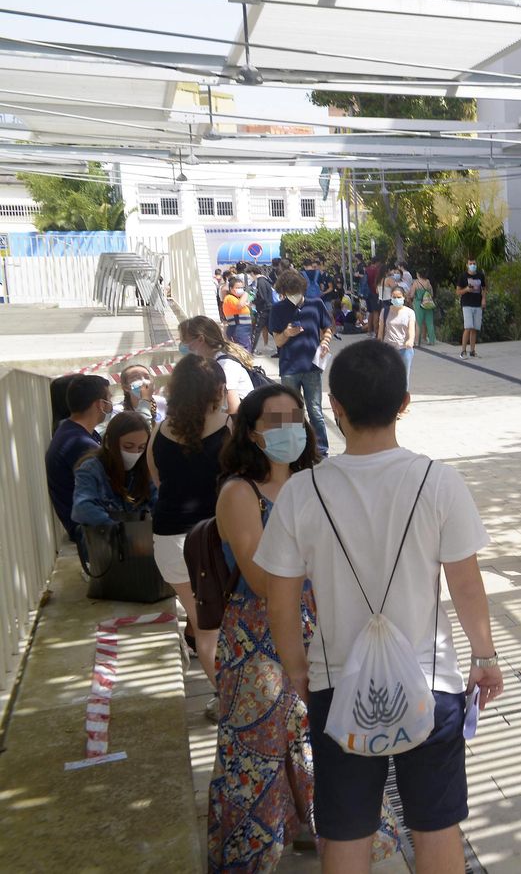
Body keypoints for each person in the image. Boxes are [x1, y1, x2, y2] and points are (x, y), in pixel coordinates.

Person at [256, 340, 502, 874]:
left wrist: (296, 671)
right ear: (404, 403)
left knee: (346, 830)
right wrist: (485, 656)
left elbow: (280, 600)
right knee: (436, 826)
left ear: (335, 407)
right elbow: (465, 584)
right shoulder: (439, 481)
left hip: (336, 683)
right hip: (431, 683)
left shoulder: (301, 492)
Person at [207, 385, 337, 871]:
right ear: (251, 432)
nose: (289, 429)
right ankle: (249, 856)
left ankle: (314, 830)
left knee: (311, 736)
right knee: (255, 748)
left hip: (314, 624)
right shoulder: (239, 493)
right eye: (275, 421)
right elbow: (262, 579)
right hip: (254, 638)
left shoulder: (314, 481)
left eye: (295, 418)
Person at [150, 354, 231, 702]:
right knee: (227, 625)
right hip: (215, 539)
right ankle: (234, 699)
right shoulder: (230, 428)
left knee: (203, 625)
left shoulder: (159, 430)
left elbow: (158, 481)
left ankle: (223, 696)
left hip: (169, 540)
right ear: (218, 389)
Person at [47, 374, 111, 571]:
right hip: (92, 532)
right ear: (100, 404)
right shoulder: (80, 444)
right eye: (108, 399)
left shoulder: (72, 431)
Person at [268, 271, 333, 456]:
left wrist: (325, 341)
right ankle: (295, 450)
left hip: (312, 367)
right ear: (283, 292)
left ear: (302, 289)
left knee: (315, 412)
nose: (293, 296)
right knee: (292, 413)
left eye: (296, 291)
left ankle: (321, 451)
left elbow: (327, 328)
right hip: (289, 368)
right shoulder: (278, 309)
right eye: (289, 293)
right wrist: (287, 333)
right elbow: (278, 341)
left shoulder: (316, 304)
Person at [72, 410, 153, 532]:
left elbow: (158, 502)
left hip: (139, 540)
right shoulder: (91, 469)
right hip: (104, 540)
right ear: (109, 442)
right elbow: (82, 508)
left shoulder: (144, 468)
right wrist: (117, 530)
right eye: (128, 446)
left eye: (141, 447)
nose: (135, 453)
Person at [179, 315, 257, 416]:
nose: (183, 346)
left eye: (185, 341)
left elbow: (233, 410)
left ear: (200, 339)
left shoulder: (225, 365)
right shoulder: (212, 362)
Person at [379, 285, 420, 388]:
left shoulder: (410, 312)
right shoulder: (385, 311)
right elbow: (380, 331)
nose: (396, 299)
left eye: (399, 297)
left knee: (403, 378)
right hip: (388, 349)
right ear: (391, 297)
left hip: (404, 350)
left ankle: (403, 396)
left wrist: (410, 340)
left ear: (403, 297)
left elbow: (411, 329)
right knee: (388, 376)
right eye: (394, 297)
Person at [456, 258, 486, 359]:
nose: (472, 265)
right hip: (467, 304)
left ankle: (472, 351)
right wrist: (466, 289)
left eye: (474, 263)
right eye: (470, 263)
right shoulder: (463, 276)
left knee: (474, 328)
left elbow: (484, 289)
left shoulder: (480, 275)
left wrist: (483, 299)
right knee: (468, 327)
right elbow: (458, 292)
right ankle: (463, 351)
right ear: (467, 265)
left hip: (477, 304)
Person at [221, 277, 253, 348]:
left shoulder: (238, 298)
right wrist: (246, 293)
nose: (240, 289)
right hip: (237, 329)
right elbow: (239, 305)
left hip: (244, 329)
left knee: (246, 347)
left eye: (242, 288)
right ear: (231, 289)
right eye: (238, 288)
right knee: (243, 349)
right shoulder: (229, 298)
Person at [252, 265, 277, 353]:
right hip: (268, 308)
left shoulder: (260, 282)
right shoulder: (266, 280)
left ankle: (251, 350)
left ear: (253, 273)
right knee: (271, 329)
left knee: (257, 329)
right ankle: (282, 347)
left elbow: (262, 297)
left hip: (263, 309)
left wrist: (253, 301)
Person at [411, 271, 437, 346]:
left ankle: (417, 341)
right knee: (430, 322)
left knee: (418, 323)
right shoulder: (428, 282)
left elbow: (412, 294)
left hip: (418, 303)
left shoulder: (416, 283)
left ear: (418, 274)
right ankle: (432, 340)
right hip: (428, 303)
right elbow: (432, 293)